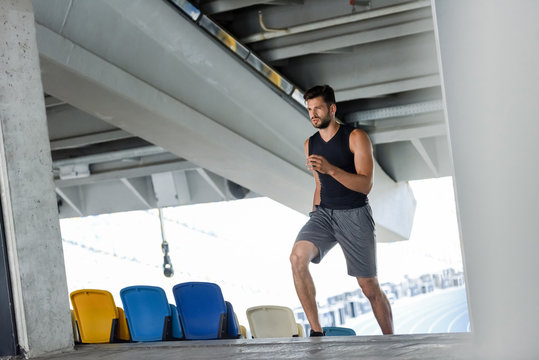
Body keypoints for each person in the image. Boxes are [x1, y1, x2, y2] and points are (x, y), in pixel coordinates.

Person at [290, 84, 394, 337]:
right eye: (309, 109)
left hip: (354, 213)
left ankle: (391, 340)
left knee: (368, 287)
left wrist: (331, 169)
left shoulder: (356, 137)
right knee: (297, 258)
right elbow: (318, 183)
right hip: (324, 214)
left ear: (332, 109)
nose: (313, 114)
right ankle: (316, 331)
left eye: (318, 108)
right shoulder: (310, 144)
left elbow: (365, 185)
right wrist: (315, 212)